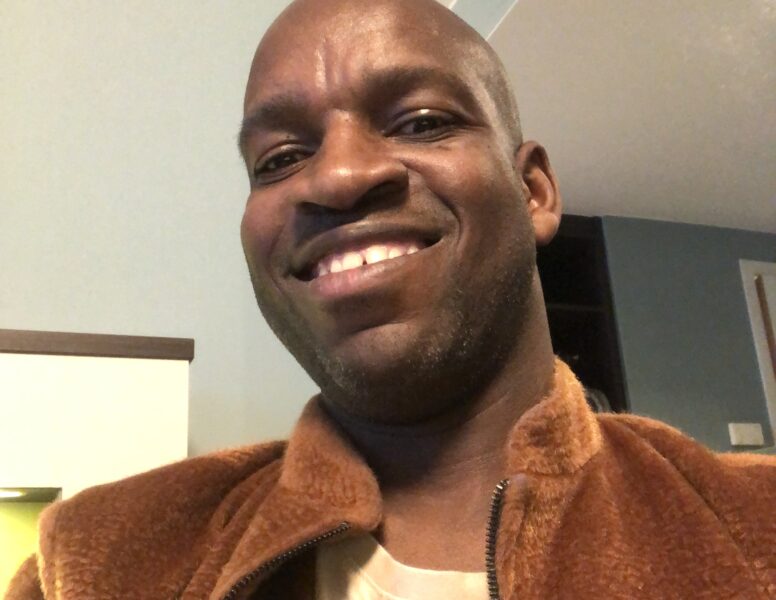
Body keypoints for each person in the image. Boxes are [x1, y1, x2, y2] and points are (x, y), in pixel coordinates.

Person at [7, 0, 775, 598]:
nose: (336, 177)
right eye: (279, 159)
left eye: (422, 121)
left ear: (534, 191)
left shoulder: (755, 528)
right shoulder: (95, 560)